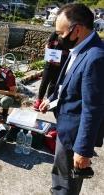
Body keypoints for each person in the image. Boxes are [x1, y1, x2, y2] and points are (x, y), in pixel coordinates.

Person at [39, 3, 104, 195]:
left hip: (75, 137)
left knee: (67, 185)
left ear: (77, 30)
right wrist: (50, 99)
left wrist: (83, 150)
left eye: (61, 32)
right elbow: (65, 82)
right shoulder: (79, 48)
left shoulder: (96, 58)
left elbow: (93, 109)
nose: (59, 37)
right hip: (65, 127)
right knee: (59, 176)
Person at [33, 31, 69, 111]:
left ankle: (48, 102)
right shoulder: (54, 34)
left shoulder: (68, 36)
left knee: (53, 85)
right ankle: (39, 101)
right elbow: (47, 45)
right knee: (44, 82)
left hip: (61, 66)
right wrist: (48, 54)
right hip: (50, 64)